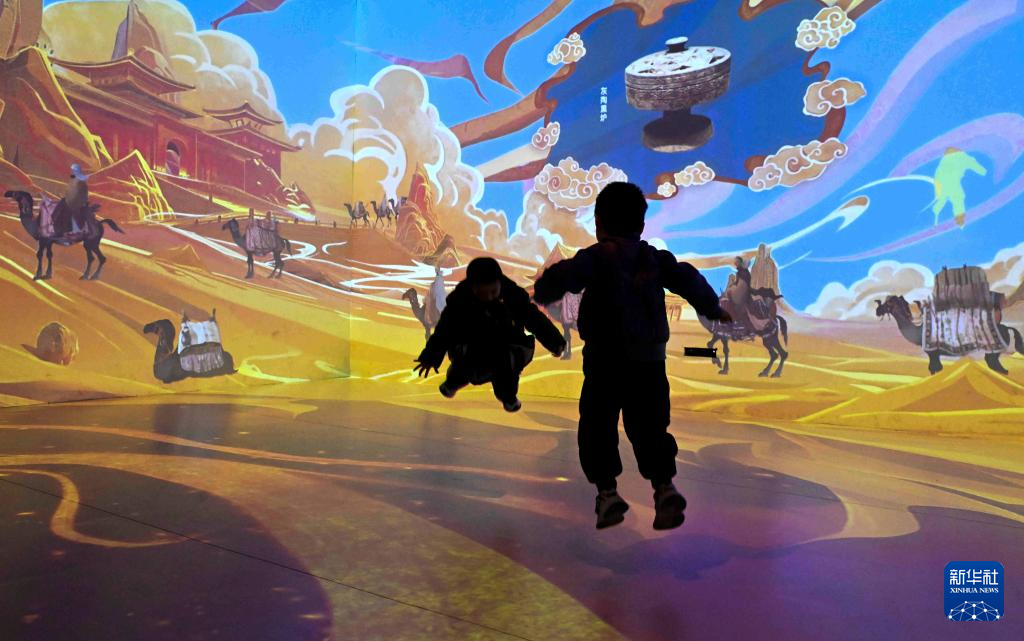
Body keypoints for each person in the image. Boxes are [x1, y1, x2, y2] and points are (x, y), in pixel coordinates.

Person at [534, 182, 731, 531]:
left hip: (604, 362)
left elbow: (564, 277)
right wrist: (713, 308)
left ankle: (607, 493)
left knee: (597, 426)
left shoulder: (596, 257)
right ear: (641, 224)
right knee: (651, 428)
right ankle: (664, 487)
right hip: (649, 364)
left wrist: (543, 289)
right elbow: (687, 279)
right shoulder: (654, 259)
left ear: (598, 223)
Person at [414, 257, 566, 412]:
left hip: (506, 344)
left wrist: (555, 342)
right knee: (466, 363)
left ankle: (508, 396)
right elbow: (445, 329)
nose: (488, 298)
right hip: (471, 345)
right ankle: (453, 381)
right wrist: (430, 356)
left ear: (500, 283)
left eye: (493, 292)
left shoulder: (513, 296)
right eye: (482, 294)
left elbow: (534, 319)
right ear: (472, 288)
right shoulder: (460, 300)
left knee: (505, 363)